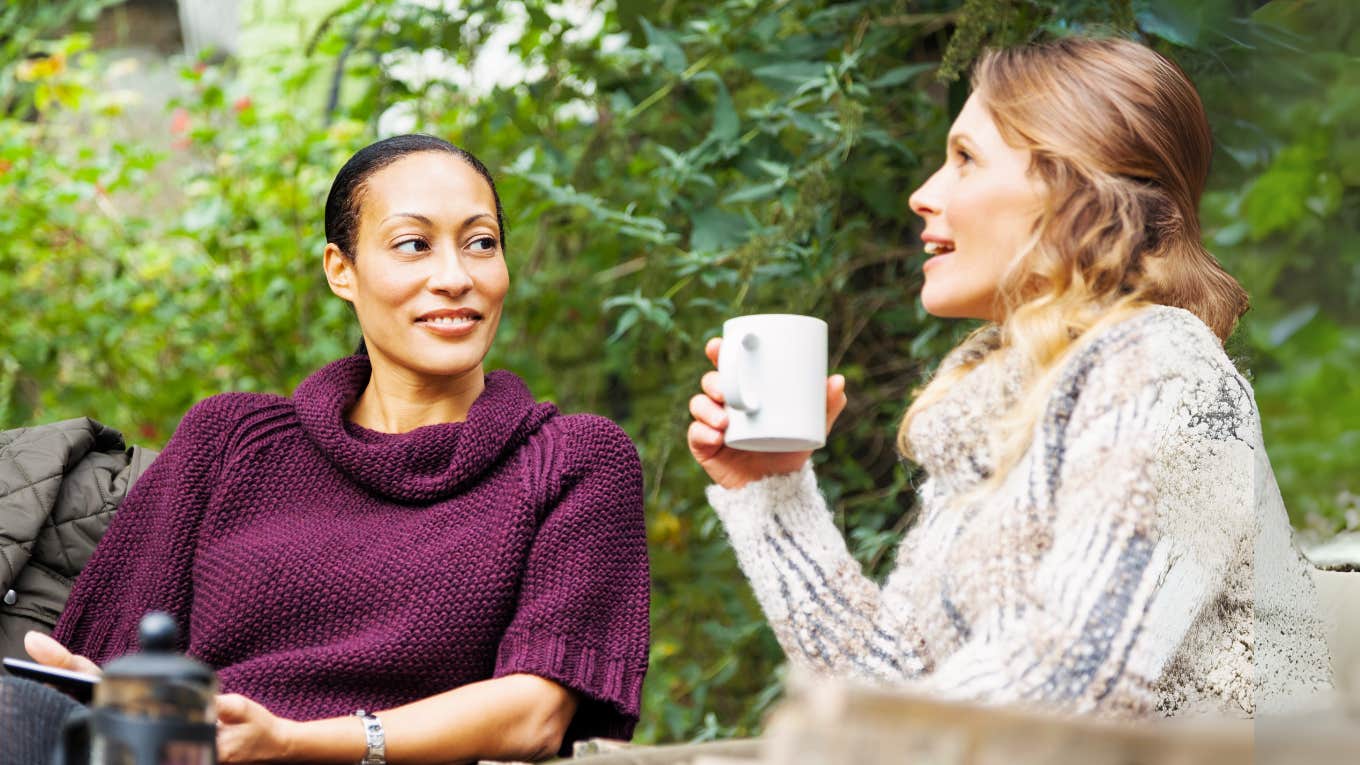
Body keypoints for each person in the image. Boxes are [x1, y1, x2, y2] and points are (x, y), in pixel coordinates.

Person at [686, 36, 1330, 719]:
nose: (922, 194)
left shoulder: (1169, 374)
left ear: (1075, 190)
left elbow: (1073, 672)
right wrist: (773, 490)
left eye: (965, 159)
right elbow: (894, 685)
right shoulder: (1005, 411)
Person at [21, 134, 650, 763]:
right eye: (414, 245)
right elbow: (110, 664)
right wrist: (100, 692)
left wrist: (294, 743)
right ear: (340, 270)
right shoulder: (231, 440)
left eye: (481, 243)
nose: (456, 278)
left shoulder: (574, 459)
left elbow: (536, 714)